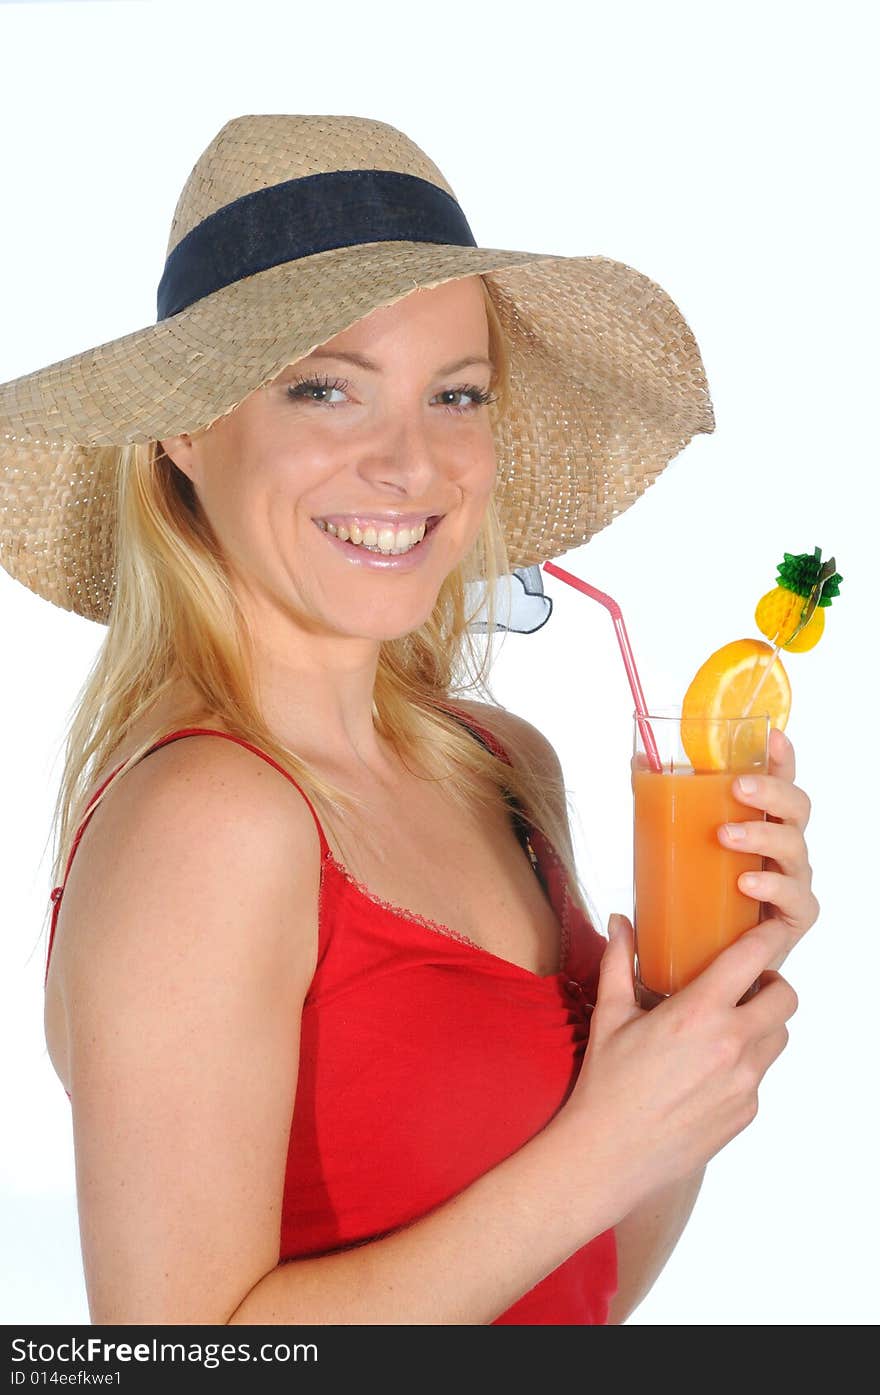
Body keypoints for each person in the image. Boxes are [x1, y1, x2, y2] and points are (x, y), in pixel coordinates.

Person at [0, 114, 818, 1326]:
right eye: (325, 389)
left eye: (457, 395)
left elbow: (571, 1296)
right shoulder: (209, 820)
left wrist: (692, 1043)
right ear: (183, 430)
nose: (410, 464)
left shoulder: (499, 768)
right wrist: (602, 1144)